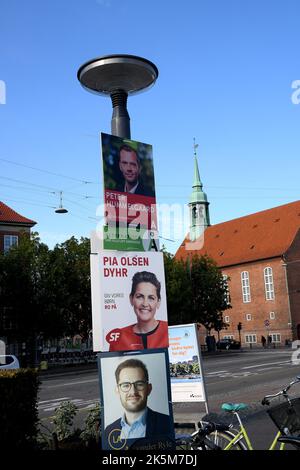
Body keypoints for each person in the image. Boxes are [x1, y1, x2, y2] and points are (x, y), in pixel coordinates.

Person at [104, 358, 172, 446]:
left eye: (139, 384)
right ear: (117, 390)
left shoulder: (167, 423)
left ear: (149, 388)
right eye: (125, 385)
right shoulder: (109, 431)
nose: (133, 392)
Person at [106, 271, 168, 351]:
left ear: (158, 302)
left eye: (151, 298)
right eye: (140, 297)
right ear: (131, 299)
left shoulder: (169, 331)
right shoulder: (119, 337)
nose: (145, 304)